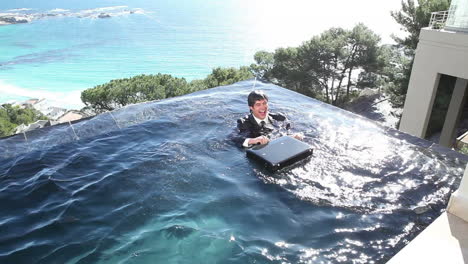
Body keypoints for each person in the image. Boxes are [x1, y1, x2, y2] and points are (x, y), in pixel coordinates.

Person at [236, 90, 303, 148]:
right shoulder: (243, 123)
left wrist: (297, 135)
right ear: (251, 107)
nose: (263, 108)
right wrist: (252, 140)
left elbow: (291, 130)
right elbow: (233, 139)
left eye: (264, 103)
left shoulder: (280, 118)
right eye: (258, 104)